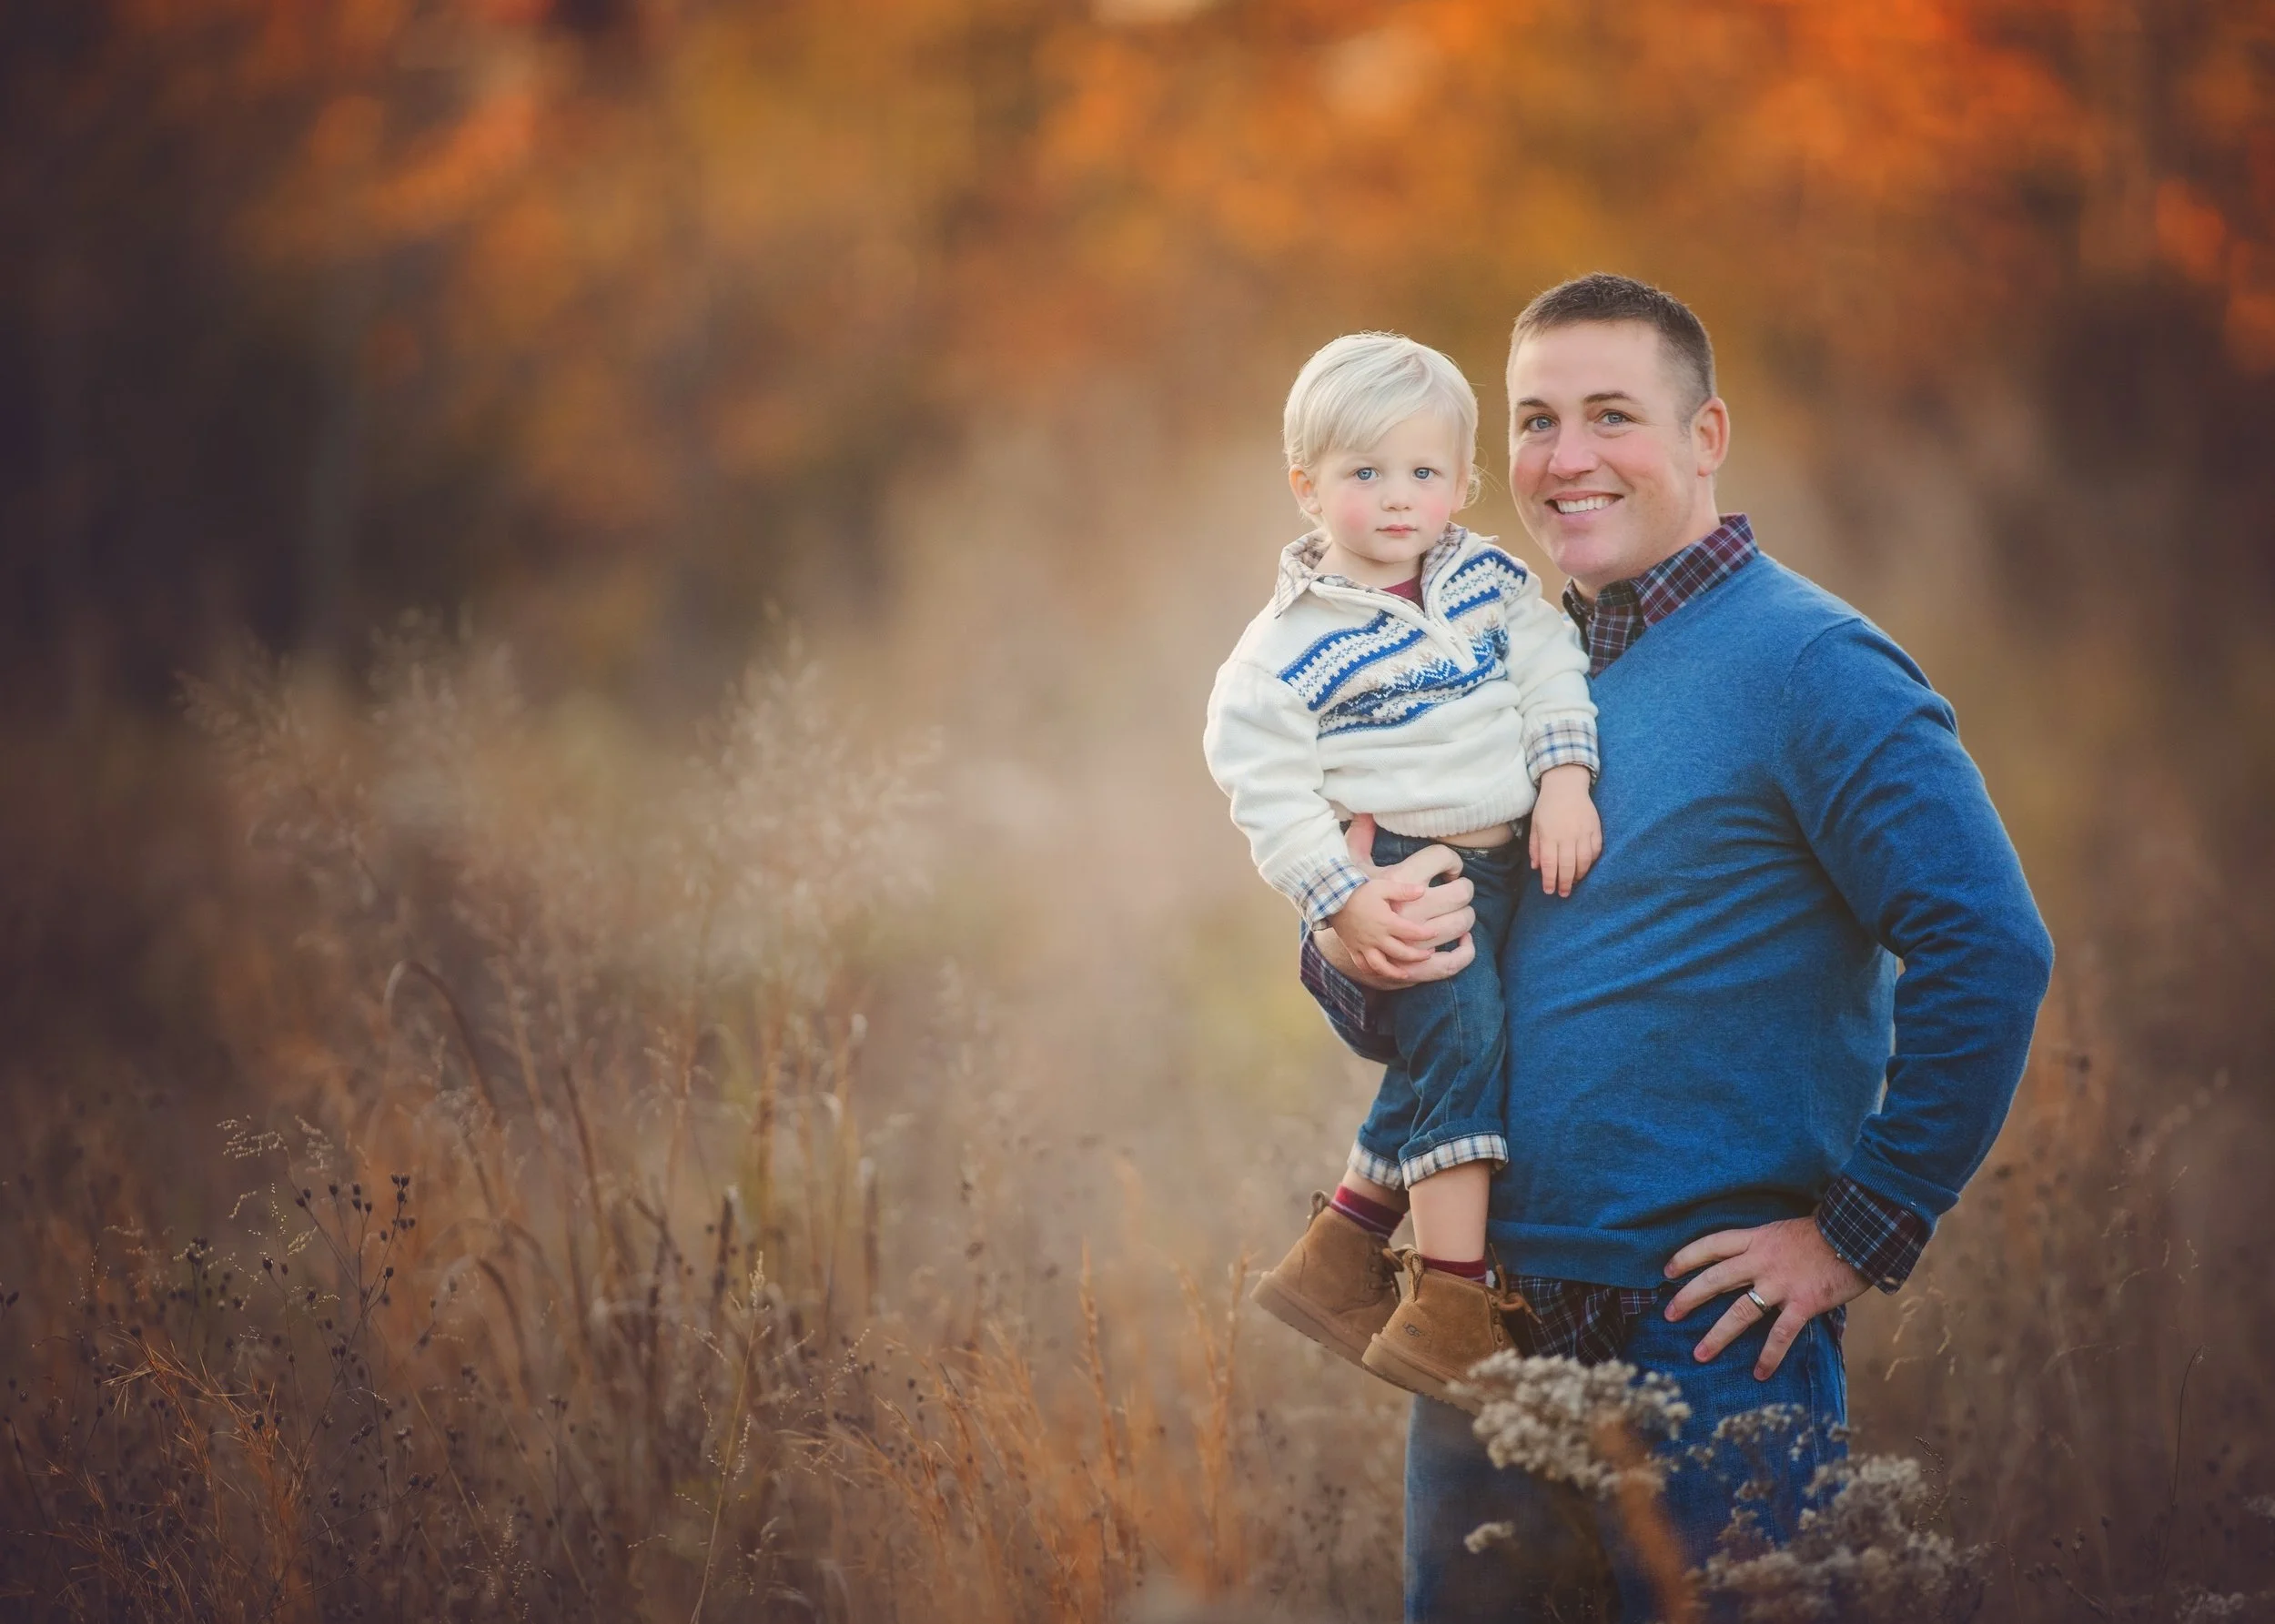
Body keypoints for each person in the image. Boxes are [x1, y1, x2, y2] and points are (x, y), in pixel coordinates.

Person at [1297, 276, 2056, 1621]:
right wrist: (1358, 942)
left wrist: (1858, 1232)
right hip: (1483, 1330)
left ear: (1706, 437)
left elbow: (1988, 945)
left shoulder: (1810, 664)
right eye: (1535, 420)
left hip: (1704, 1345)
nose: (1567, 457)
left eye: (1611, 415)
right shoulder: (1496, 668)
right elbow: (1418, 1008)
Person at [1202, 332, 1604, 1407]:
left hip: (1509, 861)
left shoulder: (1488, 582)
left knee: (1453, 1061)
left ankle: (1336, 1259)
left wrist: (1564, 779)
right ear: (1307, 487)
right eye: (1363, 474)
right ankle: (1453, 1306)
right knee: (1465, 1053)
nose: (1396, 500)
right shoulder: (1285, 646)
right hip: (1406, 881)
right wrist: (1336, 900)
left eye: (1423, 473)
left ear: (1463, 484)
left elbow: (1551, 667)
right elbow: (1260, 779)